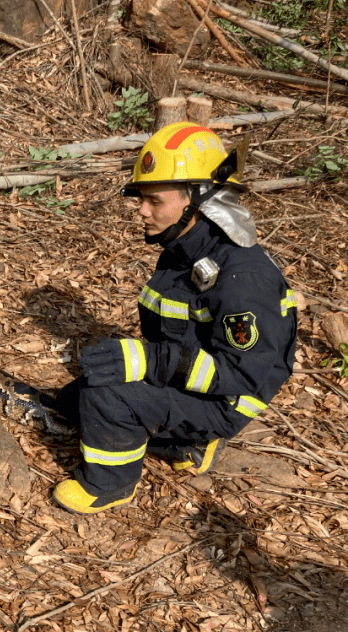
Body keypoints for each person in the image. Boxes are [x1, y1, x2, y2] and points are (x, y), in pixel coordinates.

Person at [52, 121, 298, 514]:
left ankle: (110, 485)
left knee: (106, 397)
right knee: (74, 400)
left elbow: (243, 373)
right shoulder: (183, 249)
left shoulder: (243, 278)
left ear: (198, 201)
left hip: (226, 399)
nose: (142, 212)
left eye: (154, 200)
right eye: (140, 200)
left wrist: (151, 361)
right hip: (194, 380)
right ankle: (182, 440)